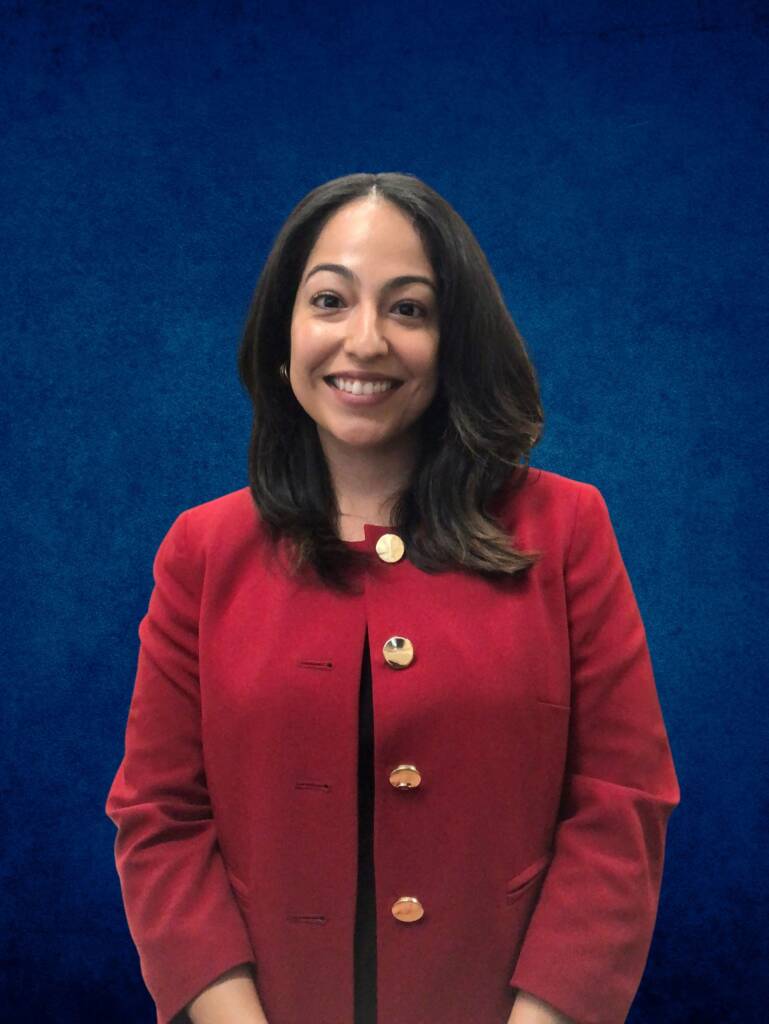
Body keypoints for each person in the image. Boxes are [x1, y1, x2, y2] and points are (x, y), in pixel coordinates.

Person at [105, 171, 680, 1024]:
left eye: (408, 309)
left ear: (455, 341)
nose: (364, 341)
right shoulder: (201, 549)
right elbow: (160, 818)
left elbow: (619, 805)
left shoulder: (566, 528)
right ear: (282, 331)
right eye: (329, 301)